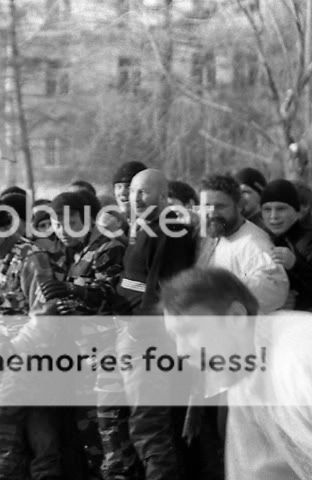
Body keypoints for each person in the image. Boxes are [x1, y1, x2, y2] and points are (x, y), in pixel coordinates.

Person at [161, 267, 312, 480]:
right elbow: (256, 472)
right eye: (175, 337)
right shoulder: (243, 379)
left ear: (236, 317)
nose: (181, 352)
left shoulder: (311, 360)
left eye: (189, 331)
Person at [0, 197, 63, 480]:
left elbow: (45, 315)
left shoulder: (31, 258)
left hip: (33, 355)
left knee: (16, 424)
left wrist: (15, 346)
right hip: (0, 356)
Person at [114, 169, 197, 480]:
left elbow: (164, 287)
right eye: (133, 191)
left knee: (149, 423)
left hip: (148, 338)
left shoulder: (169, 229)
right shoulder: (144, 226)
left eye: (144, 192)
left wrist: (142, 331)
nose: (135, 198)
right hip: (133, 330)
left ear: (163, 196)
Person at [40, 191, 129, 480]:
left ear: (88, 219)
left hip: (109, 356)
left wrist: (71, 290)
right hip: (83, 357)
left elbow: (111, 294)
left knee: (113, 439)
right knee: (90, 440)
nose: (63, 231)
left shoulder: (109, 248)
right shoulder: (73, 252)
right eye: (57, 224)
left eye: (71, 223)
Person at [197, 174, 289, 313]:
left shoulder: (254, 243)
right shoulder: (216, 235)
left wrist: (222, 290)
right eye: (207, 207)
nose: (212, 213)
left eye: (220, 206)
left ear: (239, 205)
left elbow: (274, 289)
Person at [259, 179, 312, 313]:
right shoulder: (262, 240)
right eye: (267, 209)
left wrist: (295, 265)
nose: (273, 216)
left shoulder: (311, 242)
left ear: (297, 212)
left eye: (281, 209)